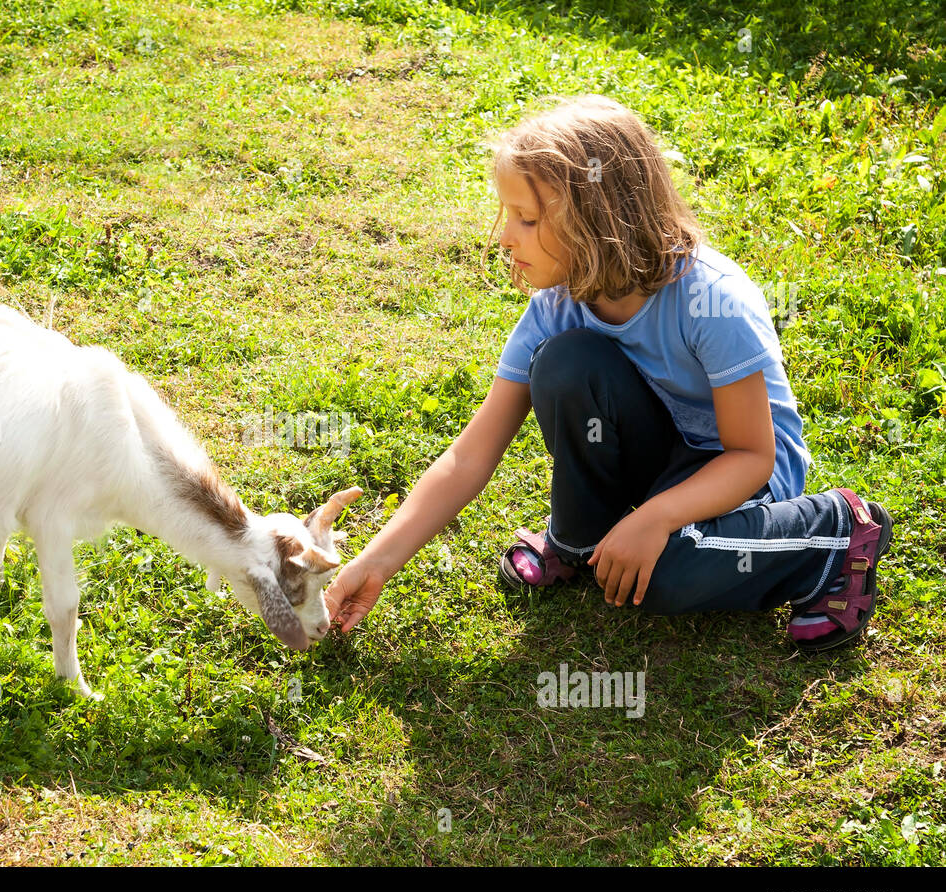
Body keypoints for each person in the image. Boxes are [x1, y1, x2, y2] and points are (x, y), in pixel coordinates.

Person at [322, 94, 893, 652]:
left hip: (740, 477)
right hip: (661, 458)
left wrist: (657, 518)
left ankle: (833, 535)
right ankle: (581, 541)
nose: (504, 236)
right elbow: (470, 454)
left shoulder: (712, 301)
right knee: (569, 365)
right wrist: (377, 560)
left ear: (597, 221)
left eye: (525, 218)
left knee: (662, 577)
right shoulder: (558, 302)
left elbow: (751, 457)